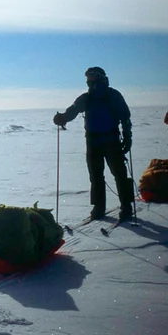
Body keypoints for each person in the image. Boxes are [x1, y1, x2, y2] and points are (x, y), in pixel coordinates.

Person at [53, 67, 134, 221]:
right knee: (96, 175)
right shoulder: (88, 97)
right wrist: (62, 118)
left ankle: (125, 206)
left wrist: (127, 137)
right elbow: (73, 111)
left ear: (99, 77)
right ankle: (99, 207)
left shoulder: (112, 95)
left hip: (110, 140)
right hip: (93, 141)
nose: (88, 80)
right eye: (87, 77)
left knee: (118, 174)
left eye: (90, 77)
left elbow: (125, 118)